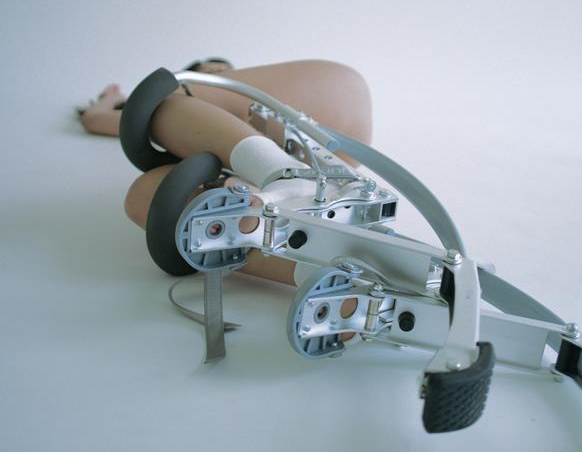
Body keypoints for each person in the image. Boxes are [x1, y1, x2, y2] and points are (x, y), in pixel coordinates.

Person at [80, 58, 373, 288]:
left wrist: (107, 104)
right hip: (316, 162)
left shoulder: (203, 90)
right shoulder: (204, 144)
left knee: (162, 104)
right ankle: (320, 278)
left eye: (217, 68)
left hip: (339, 102)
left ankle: (288, 180)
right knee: (147, 195)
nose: (218, 70)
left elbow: (130, 114)